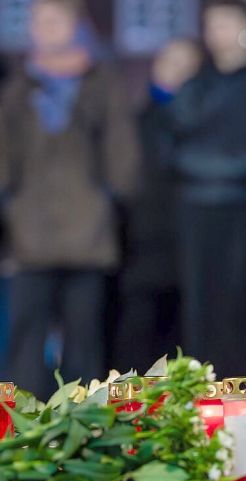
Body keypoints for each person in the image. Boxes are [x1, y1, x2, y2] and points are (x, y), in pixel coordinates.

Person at [0, 0, 138, 397]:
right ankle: (22, 428)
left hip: (88, 233)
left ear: (76, 24)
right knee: (25, 340)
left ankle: (84, 427)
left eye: (53, 20)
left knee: (83, 343)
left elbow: (122, 154)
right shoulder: (19, 87)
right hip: (30, 234)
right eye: (37, 21)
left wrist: (109, 198)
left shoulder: (101, 82)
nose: (43, 28)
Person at [168, 0, 246, 374]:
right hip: (198, 212)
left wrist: (243, 168)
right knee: (200, 310)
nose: (219, 33)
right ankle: (202, 393)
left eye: (227, 23)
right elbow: (169, 147)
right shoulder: (193, 88)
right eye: (212, 24)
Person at [113, 39, 201, 372]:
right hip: (140, 249)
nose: (177, 72)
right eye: (170, 62)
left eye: (187, 65)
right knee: (137, 338)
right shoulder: (134, 124)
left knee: (182, 345)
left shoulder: (204, 128)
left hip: (188, 250)